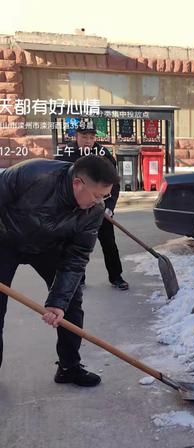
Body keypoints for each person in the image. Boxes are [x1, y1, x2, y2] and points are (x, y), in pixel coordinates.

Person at [0, 156, 119, 386]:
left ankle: (69, 367)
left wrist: (58, 302)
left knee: (71, 302)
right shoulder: (33, 175)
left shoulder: (95, 211)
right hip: (4, 240)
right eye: (96, 195)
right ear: (77, 183)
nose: (99, 202)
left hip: (49, 247)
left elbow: (77, 257)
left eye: (104, 196)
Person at [56, 124, 129, 291]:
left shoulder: (104, 155)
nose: (88, 141)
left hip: (99, 207)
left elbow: (114, 184)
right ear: (76, 136)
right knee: (73, 245)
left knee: (109, 243)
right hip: (75, 211)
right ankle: (78, 279)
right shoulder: (65, 154)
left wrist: (109, 207)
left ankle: (116, 276)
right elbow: (58, 183)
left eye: (92, 137)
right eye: (84, 136)